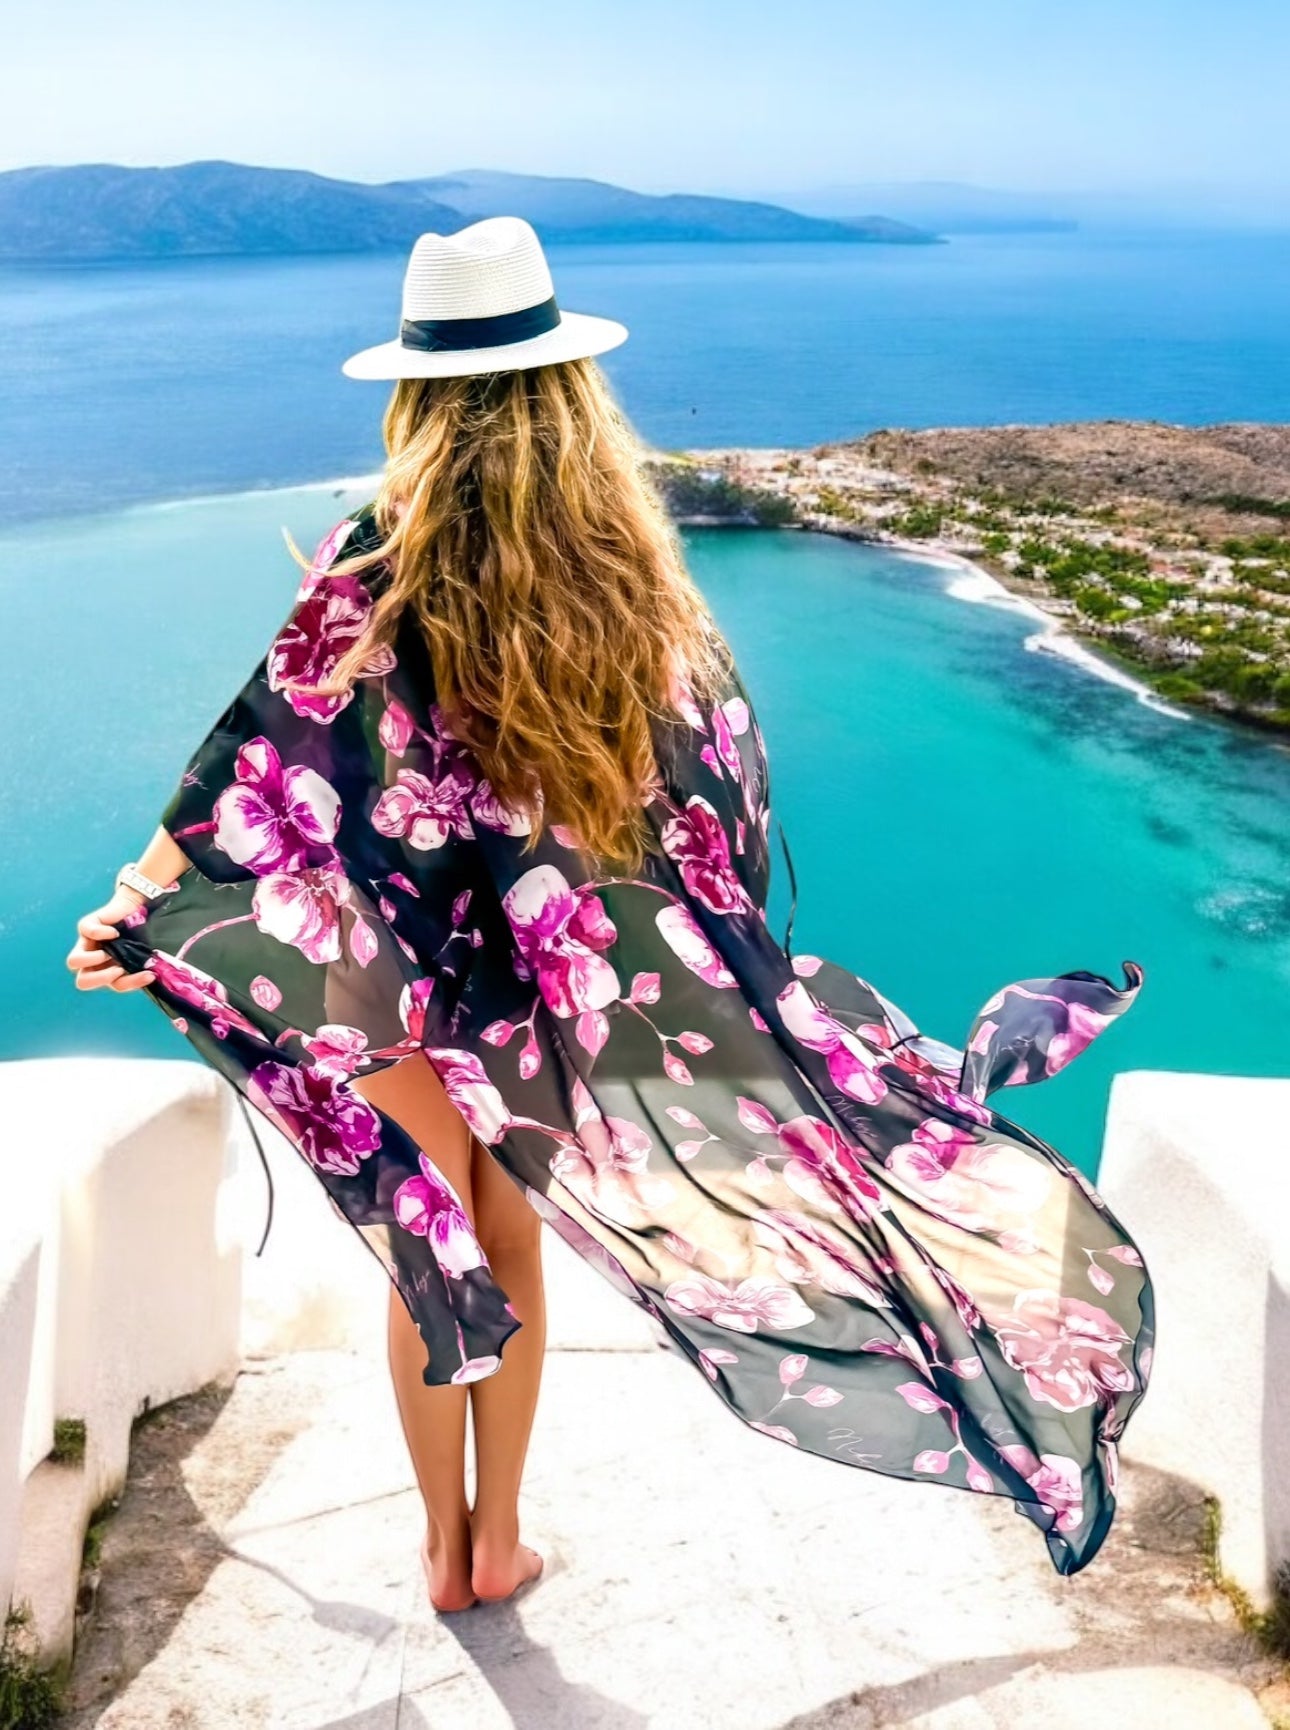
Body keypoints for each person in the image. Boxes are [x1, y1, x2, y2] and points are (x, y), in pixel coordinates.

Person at [66, 216, 1154, 1614]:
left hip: (387, 961)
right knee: (508, 1238)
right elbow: (714, 783)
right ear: (568, 387)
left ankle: (438, 1547)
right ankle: (499, 1540)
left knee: (427, 1246)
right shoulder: (630, 567)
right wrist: (717, 958)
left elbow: (256, 758)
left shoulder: (373, 551)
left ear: (415, 392)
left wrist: (142, 897)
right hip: (532, 973)